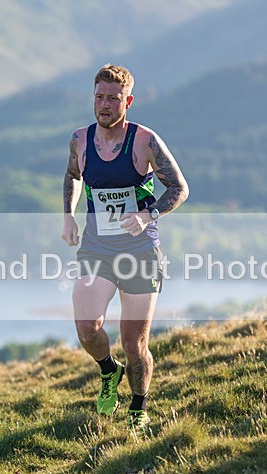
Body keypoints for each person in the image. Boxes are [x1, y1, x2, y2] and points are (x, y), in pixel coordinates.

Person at [61, 64, 189, 435]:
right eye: (99, 97)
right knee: (87, 327)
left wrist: (149, 214)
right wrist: (68, 216)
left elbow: (179, 188)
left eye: (113, 98)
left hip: (139, 251)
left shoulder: (145, 140)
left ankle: (138, 408)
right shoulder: (80, 140)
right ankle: (107, 370)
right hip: (97, 247)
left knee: (135, 344)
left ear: (127, 101)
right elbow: (73, 175)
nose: (104, 104)